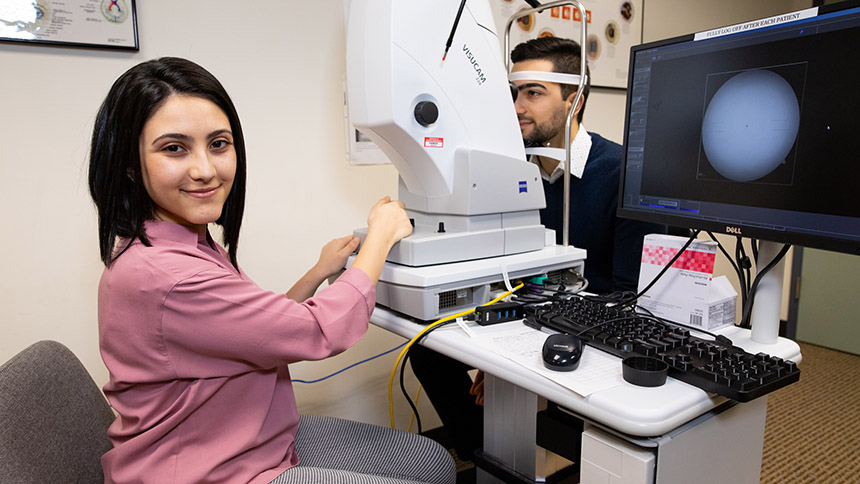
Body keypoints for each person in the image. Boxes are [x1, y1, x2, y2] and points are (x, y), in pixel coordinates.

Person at [88, 57, 455, 484]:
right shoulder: (167, 275)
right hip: (210, 469)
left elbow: (252, 329)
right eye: (174, 148)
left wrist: (318, 272)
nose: (205, 169)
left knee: (430, 461)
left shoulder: (174, 238)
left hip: (247, 437)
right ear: (130, 165)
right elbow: (320, 331)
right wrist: (381, 236)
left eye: (219, 144)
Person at [410, 37, 666, 464]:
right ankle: (488, 455)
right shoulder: (515, 173)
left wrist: (513, 362)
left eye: (534, 92)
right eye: (513, 93)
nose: (517, 107)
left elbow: (630, 299)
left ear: (575, 99)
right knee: (425, 349)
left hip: (594, 327)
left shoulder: (625, 175)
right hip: (534, 312)